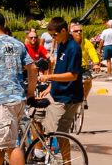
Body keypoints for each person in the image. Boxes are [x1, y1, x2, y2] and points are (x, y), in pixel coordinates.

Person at [0, 10, 38, 165]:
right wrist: (30, 92)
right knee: (5, 144)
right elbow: (32, 69)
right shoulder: (17, 43)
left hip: (1, 101)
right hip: (17, 99)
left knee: (6, 146)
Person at [43, 18, 84, 161]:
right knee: (33, 113)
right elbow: (58, 67)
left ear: (64, 31)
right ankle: (38, 152)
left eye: (55, 35)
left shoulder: (73, 48)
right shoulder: (61, 43)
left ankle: (67, 162)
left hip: (69, 96)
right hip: (56, 92)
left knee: (61, 132)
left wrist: (50, 77)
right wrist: (50, 85)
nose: (53, 38)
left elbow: (72, 75)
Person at [69, 22, 97, 107]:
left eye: (80, 30)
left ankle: (84, 98)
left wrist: (96, 63)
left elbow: (93, 53)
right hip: (71, 66)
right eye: (76, 31)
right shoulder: (68, 42)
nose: (79, 32)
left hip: (83, 66)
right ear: (71, 32)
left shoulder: (86, 42)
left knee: (88, 80)